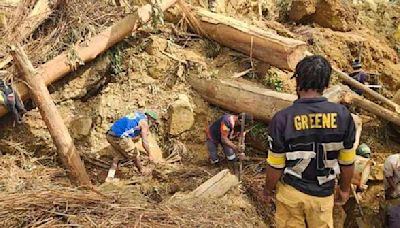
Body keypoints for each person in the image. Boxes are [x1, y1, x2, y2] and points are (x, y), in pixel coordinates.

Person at [264, 55, 356, 227]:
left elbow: (275, 165)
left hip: (291, 193)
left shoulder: (283, 119)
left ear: (297, 82)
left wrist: (267, 191)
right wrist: (344, 189)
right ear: (326, 84)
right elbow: (347, 162)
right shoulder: (344, 117)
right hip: (322, 196)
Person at [105, 110, 159, 181]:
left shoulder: (137, 115)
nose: (152, 124)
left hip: (110, 135)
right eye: (153, 122)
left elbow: (130, 128)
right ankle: (142, 170)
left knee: (117, 157)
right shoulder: (144, 123)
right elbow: (144, 142)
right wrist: (150, 154)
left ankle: (110, 177)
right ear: (151, 119)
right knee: (135, 154)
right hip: (120, 137)